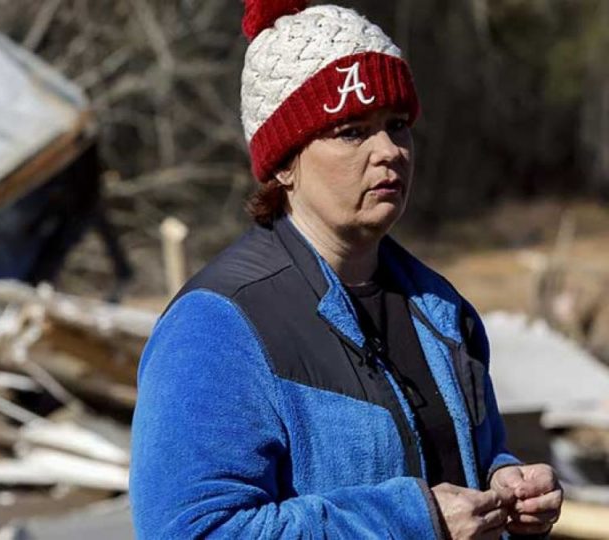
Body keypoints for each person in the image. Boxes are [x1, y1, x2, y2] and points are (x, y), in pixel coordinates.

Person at [129, 1, 564, 538]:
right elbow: (193, 530)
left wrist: (507, 481)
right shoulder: (218, 327)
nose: (389, 151)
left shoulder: (442, 310)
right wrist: (412, 521)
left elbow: (460, 460)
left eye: (397, 125)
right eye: (352, 132)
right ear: (285, 162)